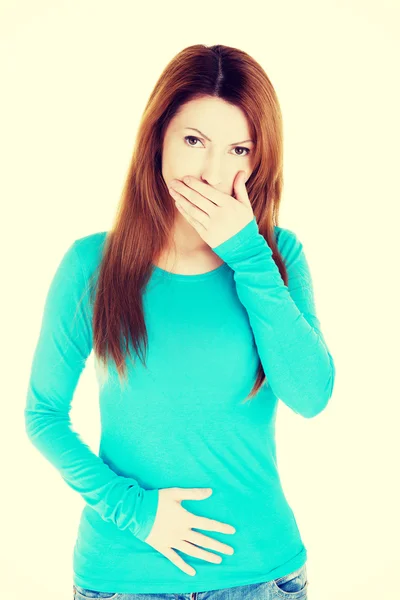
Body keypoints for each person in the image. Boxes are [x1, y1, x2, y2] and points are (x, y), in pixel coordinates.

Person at [25, 44, 335, 600]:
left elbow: (311, 395)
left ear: (259, 159)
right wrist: (135, 511)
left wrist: (248, 256)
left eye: (238, 148)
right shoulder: (90, 265)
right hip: (121, 578)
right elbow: (42, 415)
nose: (214, 172)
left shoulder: (277, 256)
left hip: (260, 576)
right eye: (194, 141)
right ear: (158, 138)